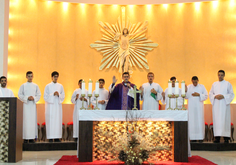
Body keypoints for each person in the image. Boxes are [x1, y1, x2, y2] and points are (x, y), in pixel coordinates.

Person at [209, 70, 234, 143]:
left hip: (224, 105)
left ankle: (226, 137)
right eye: (219, 75)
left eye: (221, 75)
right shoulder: (214, 84)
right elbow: (210, 94)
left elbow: (231, 94)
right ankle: (217, 137)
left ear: (224, 75)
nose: (220, 76)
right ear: (217, 75)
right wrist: (215, 96)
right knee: (217, 121)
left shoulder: (228, 84)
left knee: (225, 120)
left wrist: (223, 96)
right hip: (216, 105)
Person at [18, 71, 41, 143]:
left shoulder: (36, 86)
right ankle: (25, 138)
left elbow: (38, 95)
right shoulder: (23, 85)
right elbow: (20, 95)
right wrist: (27, 98)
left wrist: (33, 98)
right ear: (26, 77)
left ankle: (31, 138)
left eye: (31, 76)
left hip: (33, 106)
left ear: (33, 76)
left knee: (32, 121)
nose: (30, 77)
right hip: (26, 105)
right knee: (26, 121)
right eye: (29, 76)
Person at [44, 71, 65, 142]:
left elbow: (63, 96)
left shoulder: (60, 86)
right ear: (52, 77)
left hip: (57, 107)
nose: (56, 78)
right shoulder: (48, 86)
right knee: (50, 121)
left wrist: (59, 94)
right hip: (50, 107)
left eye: (57, 77)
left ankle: (57, 137)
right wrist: (53, 94)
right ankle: (50, 137)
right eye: (55, 77)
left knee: (57, 121)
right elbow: (45, 97)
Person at [185, 76, 208, 142]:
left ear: (198, 80)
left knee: (199, 121)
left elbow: (206, 96)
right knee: (192, 121)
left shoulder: (202, 87)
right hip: (191, 108)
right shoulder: (189, 87)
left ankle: (200, 138)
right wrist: (185, 90)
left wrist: (199, 95)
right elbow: (185, 97)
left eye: (196, 81)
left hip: (199, 108)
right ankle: (193, 138)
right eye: (193, 81)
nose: (195, 83)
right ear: (192, 81)